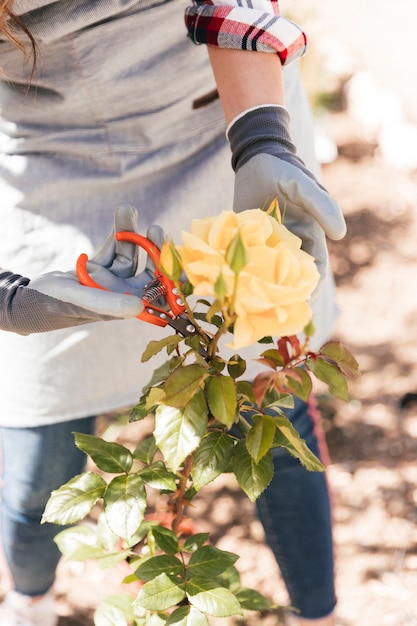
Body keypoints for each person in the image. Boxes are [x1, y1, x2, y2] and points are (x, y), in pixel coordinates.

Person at [0, 1, 346, 626]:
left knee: (272, 400)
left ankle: (317, 615)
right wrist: (7, 298)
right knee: (37, 447)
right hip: (42, 157)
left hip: (224, 112)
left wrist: (263, 134)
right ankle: (29, 600)